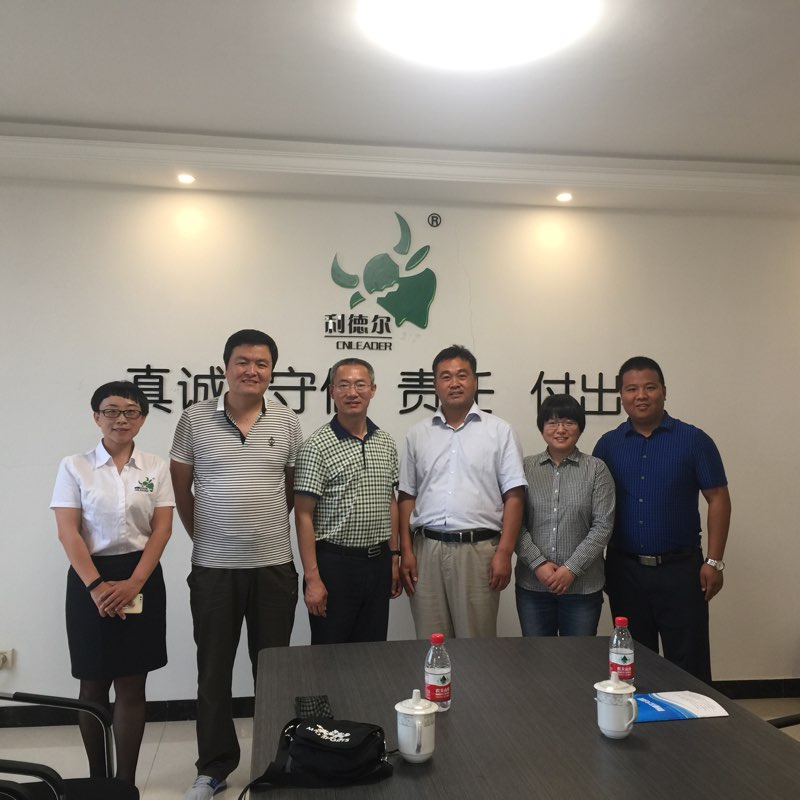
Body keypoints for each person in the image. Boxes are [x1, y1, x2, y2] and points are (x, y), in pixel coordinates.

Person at [170, 329, 302, 800]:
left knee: (274, 671)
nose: (252, 370)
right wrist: (208, 536)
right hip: (213, 568)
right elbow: (181, 489)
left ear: (272, 371)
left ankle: (273, 763)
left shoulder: (287, 420)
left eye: (262, 363)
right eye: (242, 361)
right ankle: (214, 768)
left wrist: (259, 530)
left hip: (273, 567)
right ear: (225, 367)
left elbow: (290, 491)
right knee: (213, 672)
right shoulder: (194, 419)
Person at [50, 380, 174, 786]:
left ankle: (124, 783)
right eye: (111, 411)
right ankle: (97, 780)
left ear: (142, 419)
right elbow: (68, 532)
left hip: (141, 576)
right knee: (92, 683)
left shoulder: (155, 466)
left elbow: (162, 529)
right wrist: (97, 587)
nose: (121, 419)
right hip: (89, 578)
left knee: (132, 683)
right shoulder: (75, 466)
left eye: (131, 411)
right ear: (96, 417)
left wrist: (135, 582)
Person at [593, 356, 731, 683]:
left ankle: (692, 719)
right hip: (624, 572)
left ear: (664, 391)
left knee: (689, 666)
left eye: (650, 387)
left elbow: (718, 498)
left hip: (681, 572)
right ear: (621, 396)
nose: (641, 395)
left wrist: (714, 561)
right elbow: (595, 507)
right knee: (632, 665)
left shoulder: (694, 440)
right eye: (631, 389)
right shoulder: (608, 445)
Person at [398, 344, 526, 639]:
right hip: (426, 551)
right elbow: (406, 496)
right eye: (445, 377)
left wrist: (504, 552)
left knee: (476, 647)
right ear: (435, 385)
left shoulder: (500, 431)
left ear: (475, 381)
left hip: (478, 551)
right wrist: (406, 552)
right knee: (430, 643)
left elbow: (514, 496)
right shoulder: (417, 434)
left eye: (462, 375)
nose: (454, 383)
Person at [294, 358, 401, 643]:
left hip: (378, 564)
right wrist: (312, 578)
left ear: (373, 389)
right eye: (343, 385)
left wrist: (394, 557)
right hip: (334, 566)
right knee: (330, 653)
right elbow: (303, 515)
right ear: (332, 391)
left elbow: (390, 501)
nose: (352, 392)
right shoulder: (316, 446)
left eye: (360, 384)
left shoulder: (386, 442)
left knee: (372, 650)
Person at [515, 394, 615, 637]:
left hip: (582, 588)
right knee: (536, 655)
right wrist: (538, 564)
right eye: (552, 422)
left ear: (580, 427)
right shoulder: (524, 468)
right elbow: (514, 523)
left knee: (578, 657)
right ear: (542, 428)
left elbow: (602, 526)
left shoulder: (597, 469)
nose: (560, 429)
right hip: (533, 586)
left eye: (569, 422)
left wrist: (571, 569)